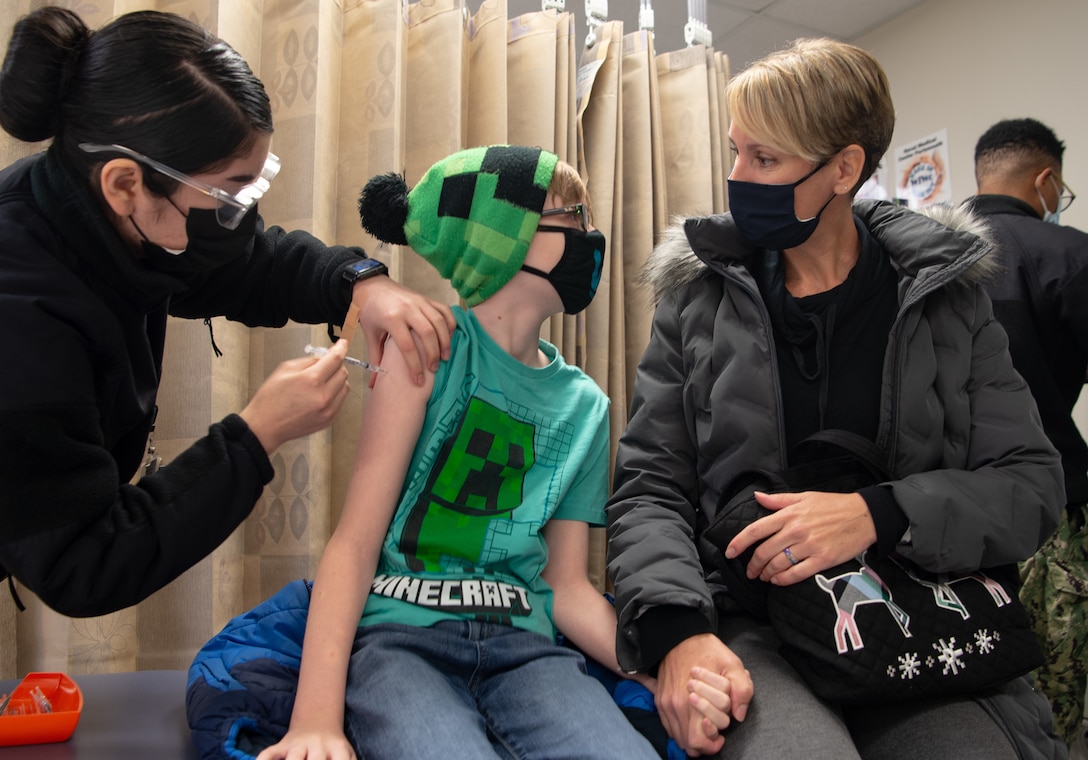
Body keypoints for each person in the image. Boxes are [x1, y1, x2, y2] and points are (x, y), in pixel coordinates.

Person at [605, 38, 1068, 760]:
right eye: (735, 153)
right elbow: (649, 489)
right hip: (753, 625)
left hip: (913, 614)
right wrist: (677, 634)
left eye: (765, 160)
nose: (736, 178)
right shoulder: (697, 302)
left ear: (844, 168)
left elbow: (1030, 485)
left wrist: (876, 514)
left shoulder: (946, 300)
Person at [0, 7, 455, 618]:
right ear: (124, 183)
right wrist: (256, 433)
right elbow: (85, 564)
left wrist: (358, 282)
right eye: (225, 194)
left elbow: (248, 265)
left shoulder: (101, 216)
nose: (235, 219)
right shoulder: (22, 315)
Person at [255, 145, 664, 760]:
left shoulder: (587, 407)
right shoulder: (427, 349)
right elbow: (356, 541)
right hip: (401, 642)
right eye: (572, 221)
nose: (591, 237)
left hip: (529, 652)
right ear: (504, 238)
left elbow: (569, 587)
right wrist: (314, 721)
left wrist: (657, 673)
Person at [966, 117, 1088, 748]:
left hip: (944, 505)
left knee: (971, 660)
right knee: (1055, 663)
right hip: (1051, 499)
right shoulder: (1069, 256)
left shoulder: (920, 250)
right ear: (1045, 180)